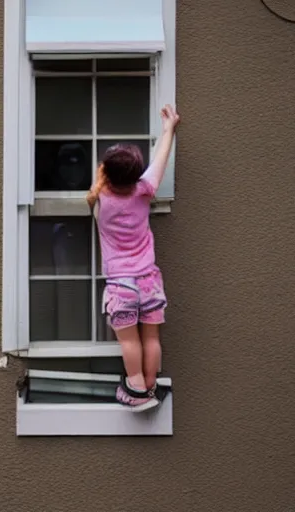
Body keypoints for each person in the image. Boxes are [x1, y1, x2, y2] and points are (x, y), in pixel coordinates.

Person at [87, 104, 180, 412]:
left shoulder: (101, 198)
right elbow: (161, 158)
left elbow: (98, 184)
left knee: (130, 342)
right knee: (151, 338)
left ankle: (136, 388)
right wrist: (168, 129)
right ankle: (150, 385)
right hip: (150, 280)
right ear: (136, 175)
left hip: (121, 285)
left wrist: (104, 171)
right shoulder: (145, 189)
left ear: (106, 173)